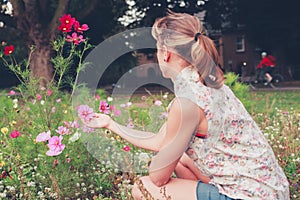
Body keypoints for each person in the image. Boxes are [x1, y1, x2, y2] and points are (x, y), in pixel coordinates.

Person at [83, 11, 289, 200]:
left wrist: (157, 160)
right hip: (272, 190)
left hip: (249, 196)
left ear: (165, 54)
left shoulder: (186, 103)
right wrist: (110, 124)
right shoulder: (209, 83)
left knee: (142, 187)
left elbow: (158, 177)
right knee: (182, 160)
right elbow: (160, 139)